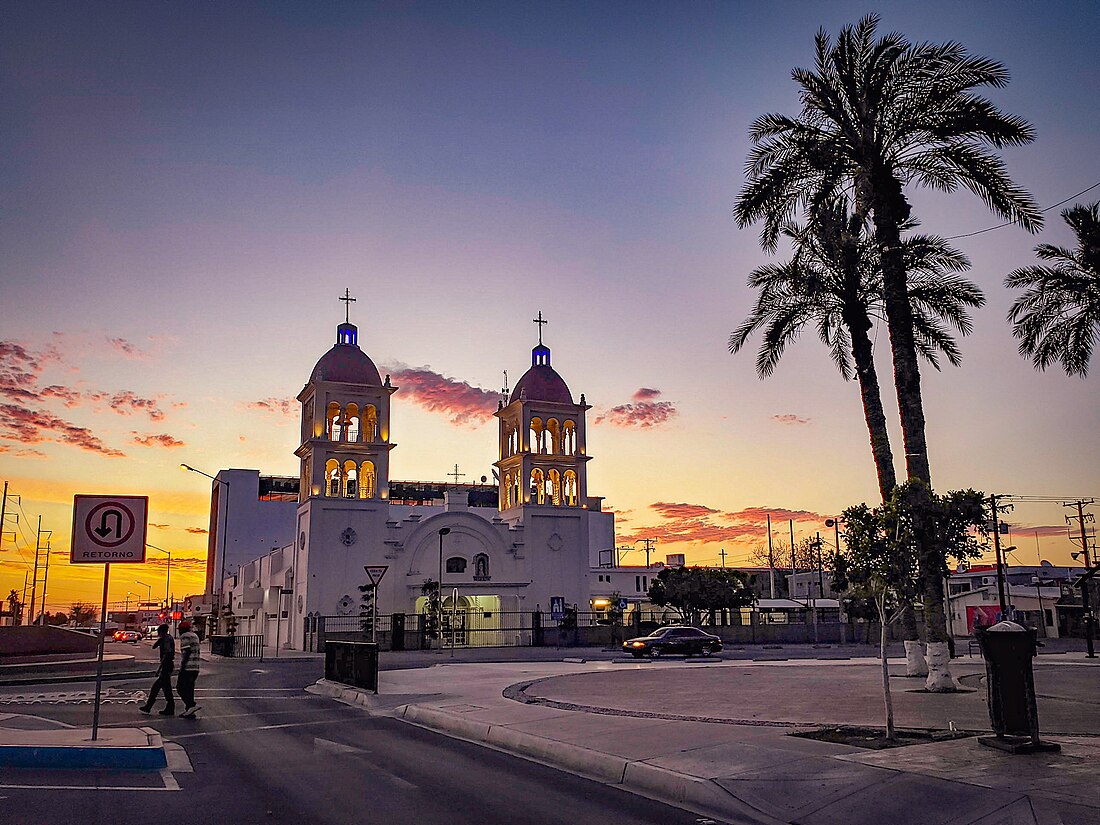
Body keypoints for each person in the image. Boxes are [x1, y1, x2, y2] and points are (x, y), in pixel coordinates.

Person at [139, 623, 175, 716]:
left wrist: (159, 670)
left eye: (159, 631)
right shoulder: (165, 638)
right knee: (166, 688)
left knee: (157, 687)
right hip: (167, 665)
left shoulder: (167, 639)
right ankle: (169, 707)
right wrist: (160, 640)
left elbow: (167, 653)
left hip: (166, 665)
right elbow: (154, 646)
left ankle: (149, 706)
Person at [176, 620, 202, 718]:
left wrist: (182, 666)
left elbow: (186, 652)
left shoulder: (185, 636)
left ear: (183, 630)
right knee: (189, 689)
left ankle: (191, 705)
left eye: (180, 630)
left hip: (188, 667)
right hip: (195, 667)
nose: (179, 632)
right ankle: (189, 711)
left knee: (180, 688)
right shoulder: (195, 636)